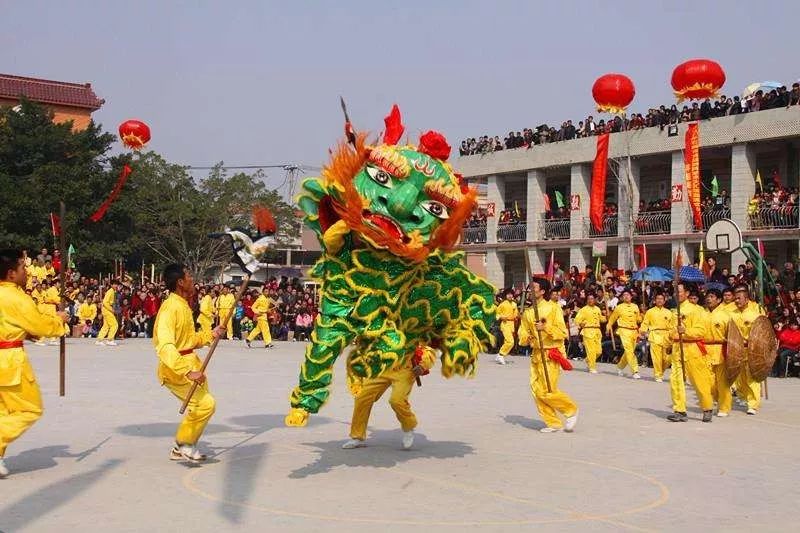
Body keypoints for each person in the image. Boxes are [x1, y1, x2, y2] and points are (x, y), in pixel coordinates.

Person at [0, 249, 69, 478]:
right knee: (30, 408)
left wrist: (26, 333)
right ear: (11, 273)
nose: (26, 272)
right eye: (22, 268)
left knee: (3, 411)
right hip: (8, 362)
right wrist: (59, 322)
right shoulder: (16, 297)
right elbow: (39, 324)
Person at [153, 264, 225, 463]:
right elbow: (165, 345)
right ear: (180, 282)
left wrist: (211, 334)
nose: (192, 279)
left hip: (191, 363)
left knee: (200, 405)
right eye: (189, 276)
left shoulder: (183, 305)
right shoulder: (170, 307)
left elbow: (189, 339)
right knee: (205, 404)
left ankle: (180, 448)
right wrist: (187, 371)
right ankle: (185, 443)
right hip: (175, 369)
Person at [341, 344, 435, 450]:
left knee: (396, 400)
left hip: (404, 370)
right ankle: (357, 436)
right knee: (362, 397)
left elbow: (428, 350)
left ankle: (409, 426)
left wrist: (423, 365)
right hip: (383, 368)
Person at [517, 278, 578, 433]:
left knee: (547, 389)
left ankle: (570, 409)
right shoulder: (528, 312)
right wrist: (527, 338)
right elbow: (522, 333)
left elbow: (562, 332)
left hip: (551, 353)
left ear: (543, 291)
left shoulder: (553, 308)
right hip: (536, 354)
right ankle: (553, 422)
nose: (531, 290)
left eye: (534, 287)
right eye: (530, 287)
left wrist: (545, 327)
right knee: (536, 389)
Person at [666, 283, 714, 423]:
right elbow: (670, 330)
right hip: (677, 350)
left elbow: (701, 331)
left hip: (692, 349)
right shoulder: (675, 311)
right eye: (675, 291)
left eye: (679, 291)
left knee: (699, 381)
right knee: (675, 381)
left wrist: (686, 331)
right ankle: (679, 410)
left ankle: (707, 408)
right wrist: (671, 336)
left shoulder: (696, 310)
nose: (676, 294)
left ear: (687, 293)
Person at [729, 285, 766, 415]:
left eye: (739, 298)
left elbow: (762, 333)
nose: (737, 301)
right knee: (739, 376)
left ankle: (753, 403)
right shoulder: (731, 314)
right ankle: (743, 396)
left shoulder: (755, 314)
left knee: (752, 377)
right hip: (736, 350)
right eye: (736, 298)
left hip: (750, 350)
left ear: (746, 299)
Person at [704, 289, 732, 416]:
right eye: (708, 296)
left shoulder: (726, 316)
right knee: (708, 381)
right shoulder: (702, 314)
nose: (709, 299)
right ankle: (716, 399)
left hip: (721, 350)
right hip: (705, 350)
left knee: (722, 382)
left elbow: (733, 336)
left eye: (712, 296)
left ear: (719, 300)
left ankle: (724, 407)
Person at [606, 289, 642, 379]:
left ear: (631, 296)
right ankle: (635, 371)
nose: (626, 296)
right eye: (624, 295)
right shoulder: (619, 307)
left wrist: (642, 316)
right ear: (622, 297)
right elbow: (612, 319)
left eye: (628, 295)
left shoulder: (635, 306)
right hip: (624, 330)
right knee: (629, 350)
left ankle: (620, 366)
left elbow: (638, 319)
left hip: (634, 331)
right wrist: (608, 328)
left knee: (629, 352)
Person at [639, 292, 672, 382]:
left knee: (667, 359)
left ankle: (660, 372)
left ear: (664, 301)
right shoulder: (650, 311)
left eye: (661, 299)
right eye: (658, 298)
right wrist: (643, 330)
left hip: (666, 336)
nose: (659, 300)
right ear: (654, 300)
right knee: (656, 357)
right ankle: (658, 375)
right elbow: (645, 322)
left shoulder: (669, 312)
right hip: (654, 335)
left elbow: (672, 325)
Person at [573, 292, 605, 373]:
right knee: (591, 351)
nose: (590, 300)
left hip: (597, 331)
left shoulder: (598, 309)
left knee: (598, 351)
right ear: (587, 300)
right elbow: (577, 319)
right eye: (589, 299)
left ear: (595, 300)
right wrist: (581, 323)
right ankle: (592, 367)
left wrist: (606, 316)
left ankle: (588, 360)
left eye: (592, 298)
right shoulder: (583, 310)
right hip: (588, 331)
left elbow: (601, 319)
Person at [495, 289, 518, 365]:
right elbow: (497, 314)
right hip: (505, 324)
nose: (510, 296)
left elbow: (516, 314)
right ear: (505, 295)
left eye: (511, 294)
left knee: (507, 341)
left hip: (512, 324)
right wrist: (501, 317)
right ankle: (501, 354)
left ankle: (499, 355)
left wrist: (517, 316)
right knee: (510, 342)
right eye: (508, 294)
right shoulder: (502, 304)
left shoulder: (514, 304)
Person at [96, 280, 120, 346]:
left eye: (117, 284)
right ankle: (110, 339)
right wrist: (112, 310)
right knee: (114, 325)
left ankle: (99, 339)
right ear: (111, 285)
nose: (116, 286)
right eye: (114, 284)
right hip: (108, 310)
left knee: (106, 326)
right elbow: (105, 302)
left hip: (106, 310)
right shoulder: (110, 291)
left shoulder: (113, 291)